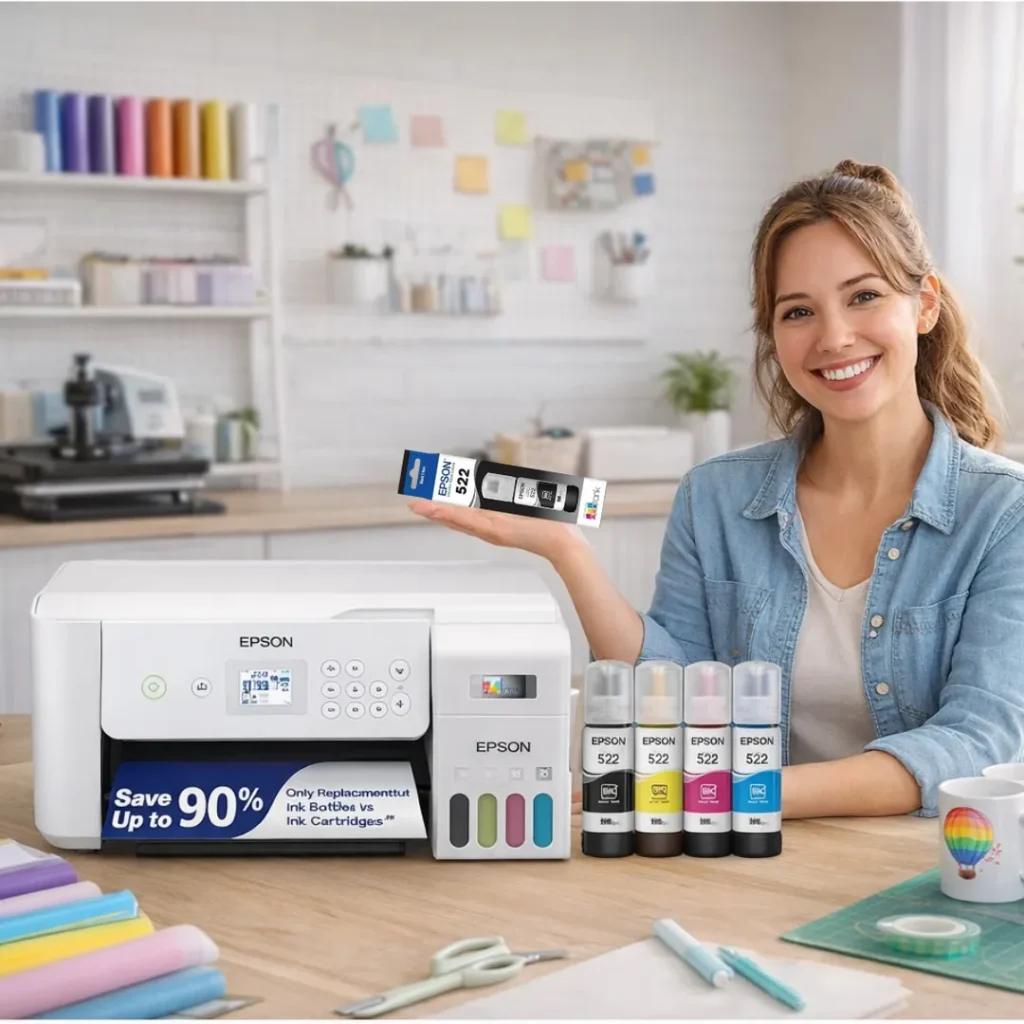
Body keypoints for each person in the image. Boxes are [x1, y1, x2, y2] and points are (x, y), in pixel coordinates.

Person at [407, 159, 1024, 820]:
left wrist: (739, 792)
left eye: (864, 296)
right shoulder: (716, 497)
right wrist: (569, 554)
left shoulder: (1002, 514)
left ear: (924, 304)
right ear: (774, 336)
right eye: (798, 311)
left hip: (927, 874)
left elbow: (978, 741)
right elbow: (670, 694)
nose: (834, 336)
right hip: (744, 857)